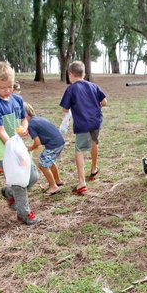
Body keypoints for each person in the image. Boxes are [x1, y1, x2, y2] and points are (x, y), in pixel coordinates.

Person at [0, 62, 41, 225]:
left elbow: (24, 119)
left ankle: (9, 193)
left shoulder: (17, 100)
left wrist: (24, 128)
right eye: (2, 87)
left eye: (10, 86)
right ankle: (24, 214)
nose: (7, 90)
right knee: (19, 182)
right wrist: (12, 147)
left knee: (33, 177)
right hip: (4, 151)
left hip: (18, 148)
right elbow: (0, 131)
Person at [60, 61, 107, 195]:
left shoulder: (71, 89)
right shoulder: (93, 86)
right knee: (94, 142)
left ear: (70, 74)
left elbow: (65, 108)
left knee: (79, 150)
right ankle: (93, 169)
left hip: (82, 123)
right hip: (96, 121)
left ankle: (81, 183)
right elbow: (104, 102)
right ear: (84, 74)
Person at [24, 102, 65, 195]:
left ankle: (53, 186)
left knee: (43, 164)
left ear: (24, 114)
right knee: (49, 161)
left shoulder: (30, 125)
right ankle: (57, 181)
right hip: (59, 142)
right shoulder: (39, 118)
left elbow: (37, 142)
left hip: (53, 145)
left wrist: (31, 148)